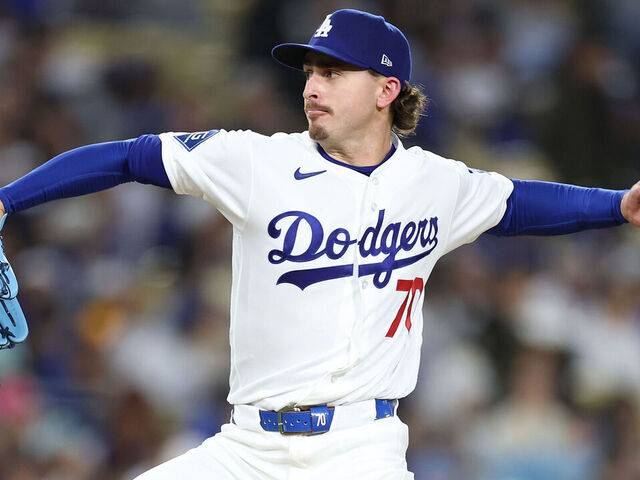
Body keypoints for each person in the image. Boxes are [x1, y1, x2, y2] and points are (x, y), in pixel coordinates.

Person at [0, 8, 639, 480]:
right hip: (247, 448)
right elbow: (128, 157)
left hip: (361, 451)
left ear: (387, 90)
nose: (312, 86)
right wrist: (6, 200)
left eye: (333, 73)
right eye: (310, 72)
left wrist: (617, 206)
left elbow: (518, 202)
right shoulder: (256, 161)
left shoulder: (434, 183)